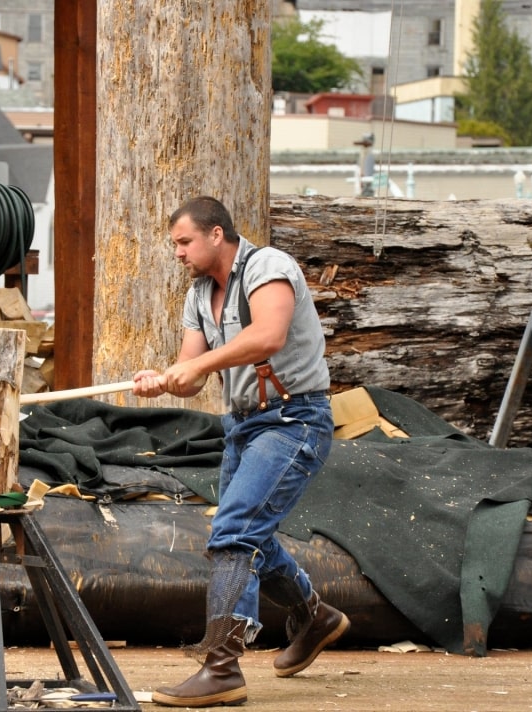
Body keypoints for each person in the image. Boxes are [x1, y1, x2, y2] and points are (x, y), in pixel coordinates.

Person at [132, 196, 350, 707]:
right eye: (175, 246)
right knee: (245, 533)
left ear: (215, 234)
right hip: (244, 425)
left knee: (235, 531)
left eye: (184, 242)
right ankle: (315, 616)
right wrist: (163, 380)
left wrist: (201, 366)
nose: (179, 254)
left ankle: (223, 666)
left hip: (294, 421)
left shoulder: (269, 266)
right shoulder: (198, 295)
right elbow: (190, 371)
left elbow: (268, 336)